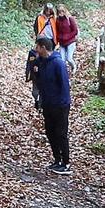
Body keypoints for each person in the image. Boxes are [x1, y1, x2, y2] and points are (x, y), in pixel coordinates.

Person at [32, 35, 73, 175]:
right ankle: (57, 160)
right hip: (47, 104)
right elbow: (39, 82)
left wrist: (62, 103)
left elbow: (64, 85)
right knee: (50, 133)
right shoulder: (41, 62)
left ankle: (66, 163)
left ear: (43, 48)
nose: (35, 49)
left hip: (60, 105)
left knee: (61, 133)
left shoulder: (58, 63)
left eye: (37, 47)